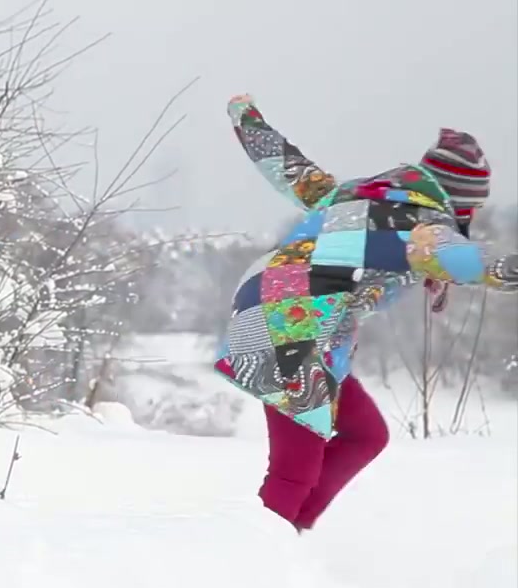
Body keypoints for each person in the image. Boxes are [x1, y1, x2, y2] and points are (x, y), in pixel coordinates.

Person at [212, 93, 518, 534]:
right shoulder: (421, 222)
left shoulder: (349, 196)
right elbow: (467, 259)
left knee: (365, 434)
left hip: (275, 306)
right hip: (295, 323)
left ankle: (289, 535)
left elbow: (286, 165)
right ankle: (253, 550)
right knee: (295, 470)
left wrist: (247, 119)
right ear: (459, 201)